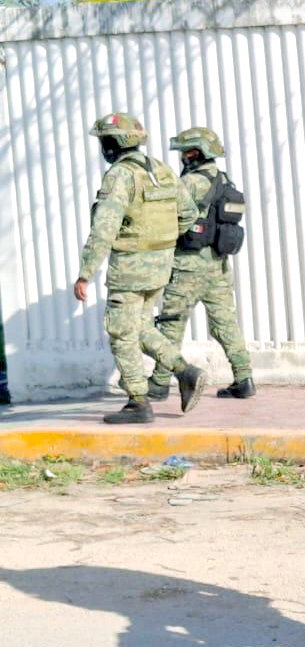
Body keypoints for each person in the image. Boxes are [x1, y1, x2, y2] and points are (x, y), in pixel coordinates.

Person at [74, 112, 208, 424]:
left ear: (113, 143)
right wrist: (161, 241)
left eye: (105, 141)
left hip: (130, 270)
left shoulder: (120, 176)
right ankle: (185, 372)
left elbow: (104, 228)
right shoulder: (160, 169)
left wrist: (85, 273)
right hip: (159, 267)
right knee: (140, 327)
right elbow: (188, 213)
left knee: (121, 332)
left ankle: (138, 402)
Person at [147, 127, 255, 401]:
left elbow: (165, 217)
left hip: (187, 267)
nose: (182, 157)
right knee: (225, 324)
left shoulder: (190, 183)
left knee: (171, 323)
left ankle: (159, 383)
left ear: (194, 153)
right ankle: (244, 378)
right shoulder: (223, 180)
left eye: (185, 152)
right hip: (218, 267)